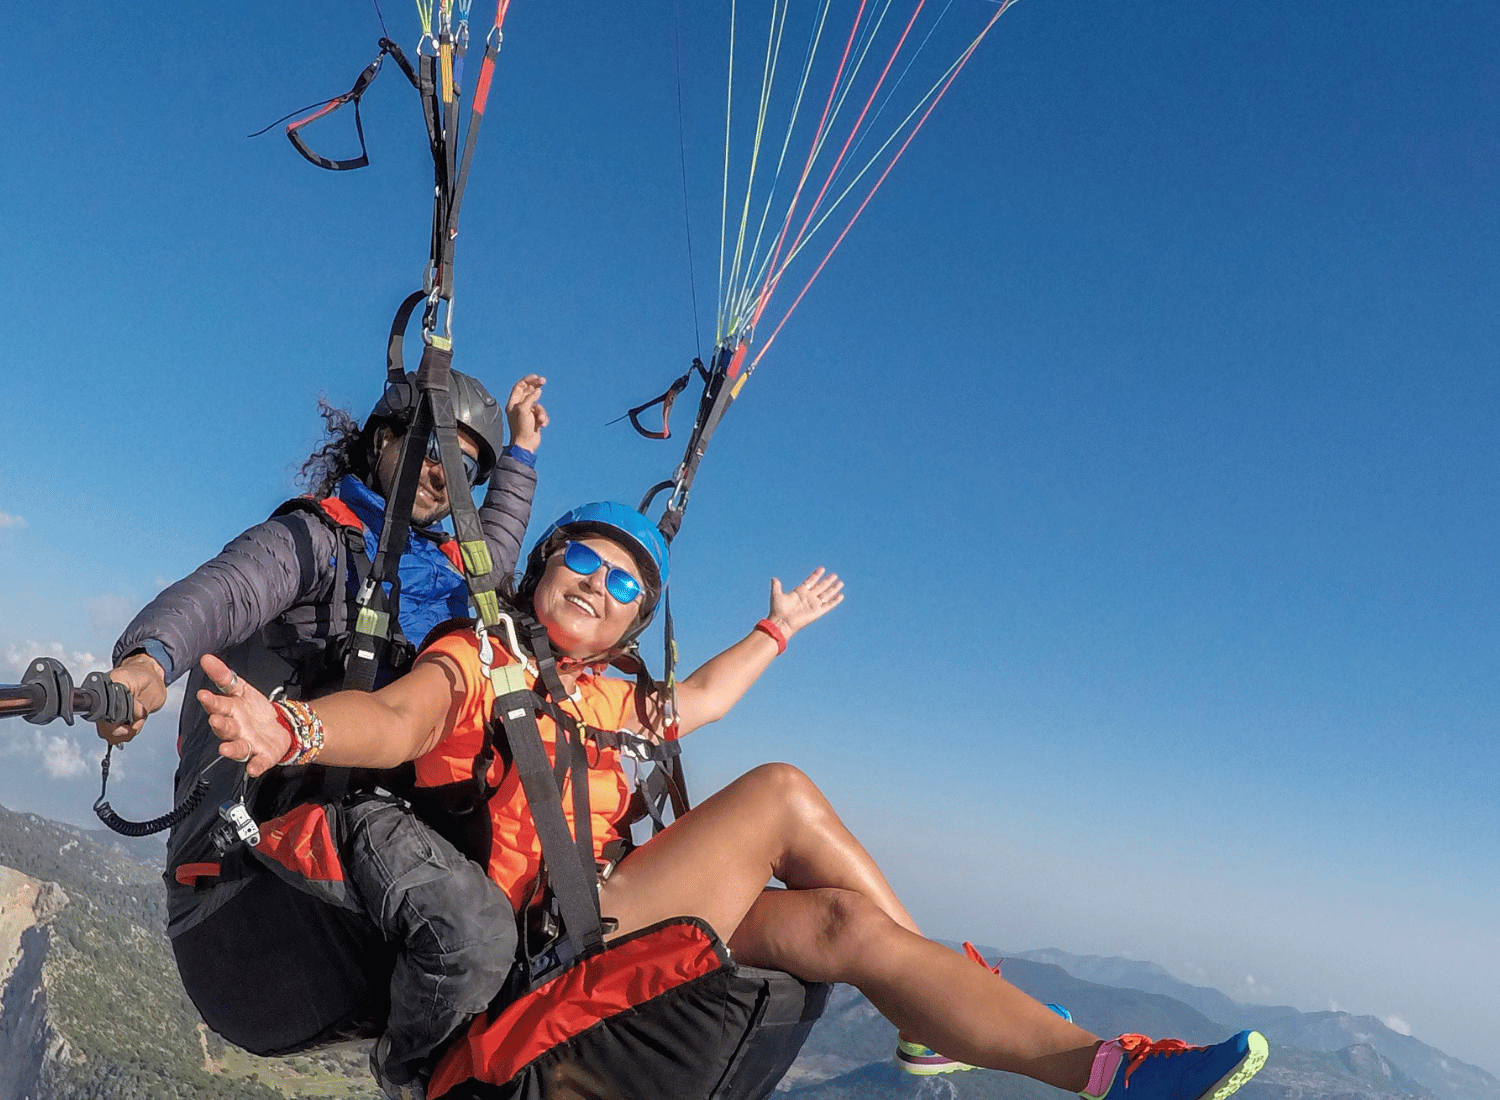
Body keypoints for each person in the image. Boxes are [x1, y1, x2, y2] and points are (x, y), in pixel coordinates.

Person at [196, 502, 1270, 1100]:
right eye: (583, 560)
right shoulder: (482, 657)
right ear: (539, 569)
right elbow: (401, 723)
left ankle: (1106, 1072)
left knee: (839, 926)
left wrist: (777, 630)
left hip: (609, 911)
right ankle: (932, 1011)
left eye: (626, 585)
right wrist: (299, 726)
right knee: (781, 794)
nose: (599, 584)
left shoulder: (620, 695)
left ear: (630, 625)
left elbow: (699, 695)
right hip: (541, 938)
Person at [94, 370, 549, 1061]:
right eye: (435, 450)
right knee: (472, 928)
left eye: (466, 470)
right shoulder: (316, 542)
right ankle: (414, 1071)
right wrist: (148, 662)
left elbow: (497, 558)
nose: (444, 474)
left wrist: (519, 451)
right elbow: (227, 591)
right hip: (247, 897)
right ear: (384, 438)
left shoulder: (449, 574)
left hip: (349, 876)